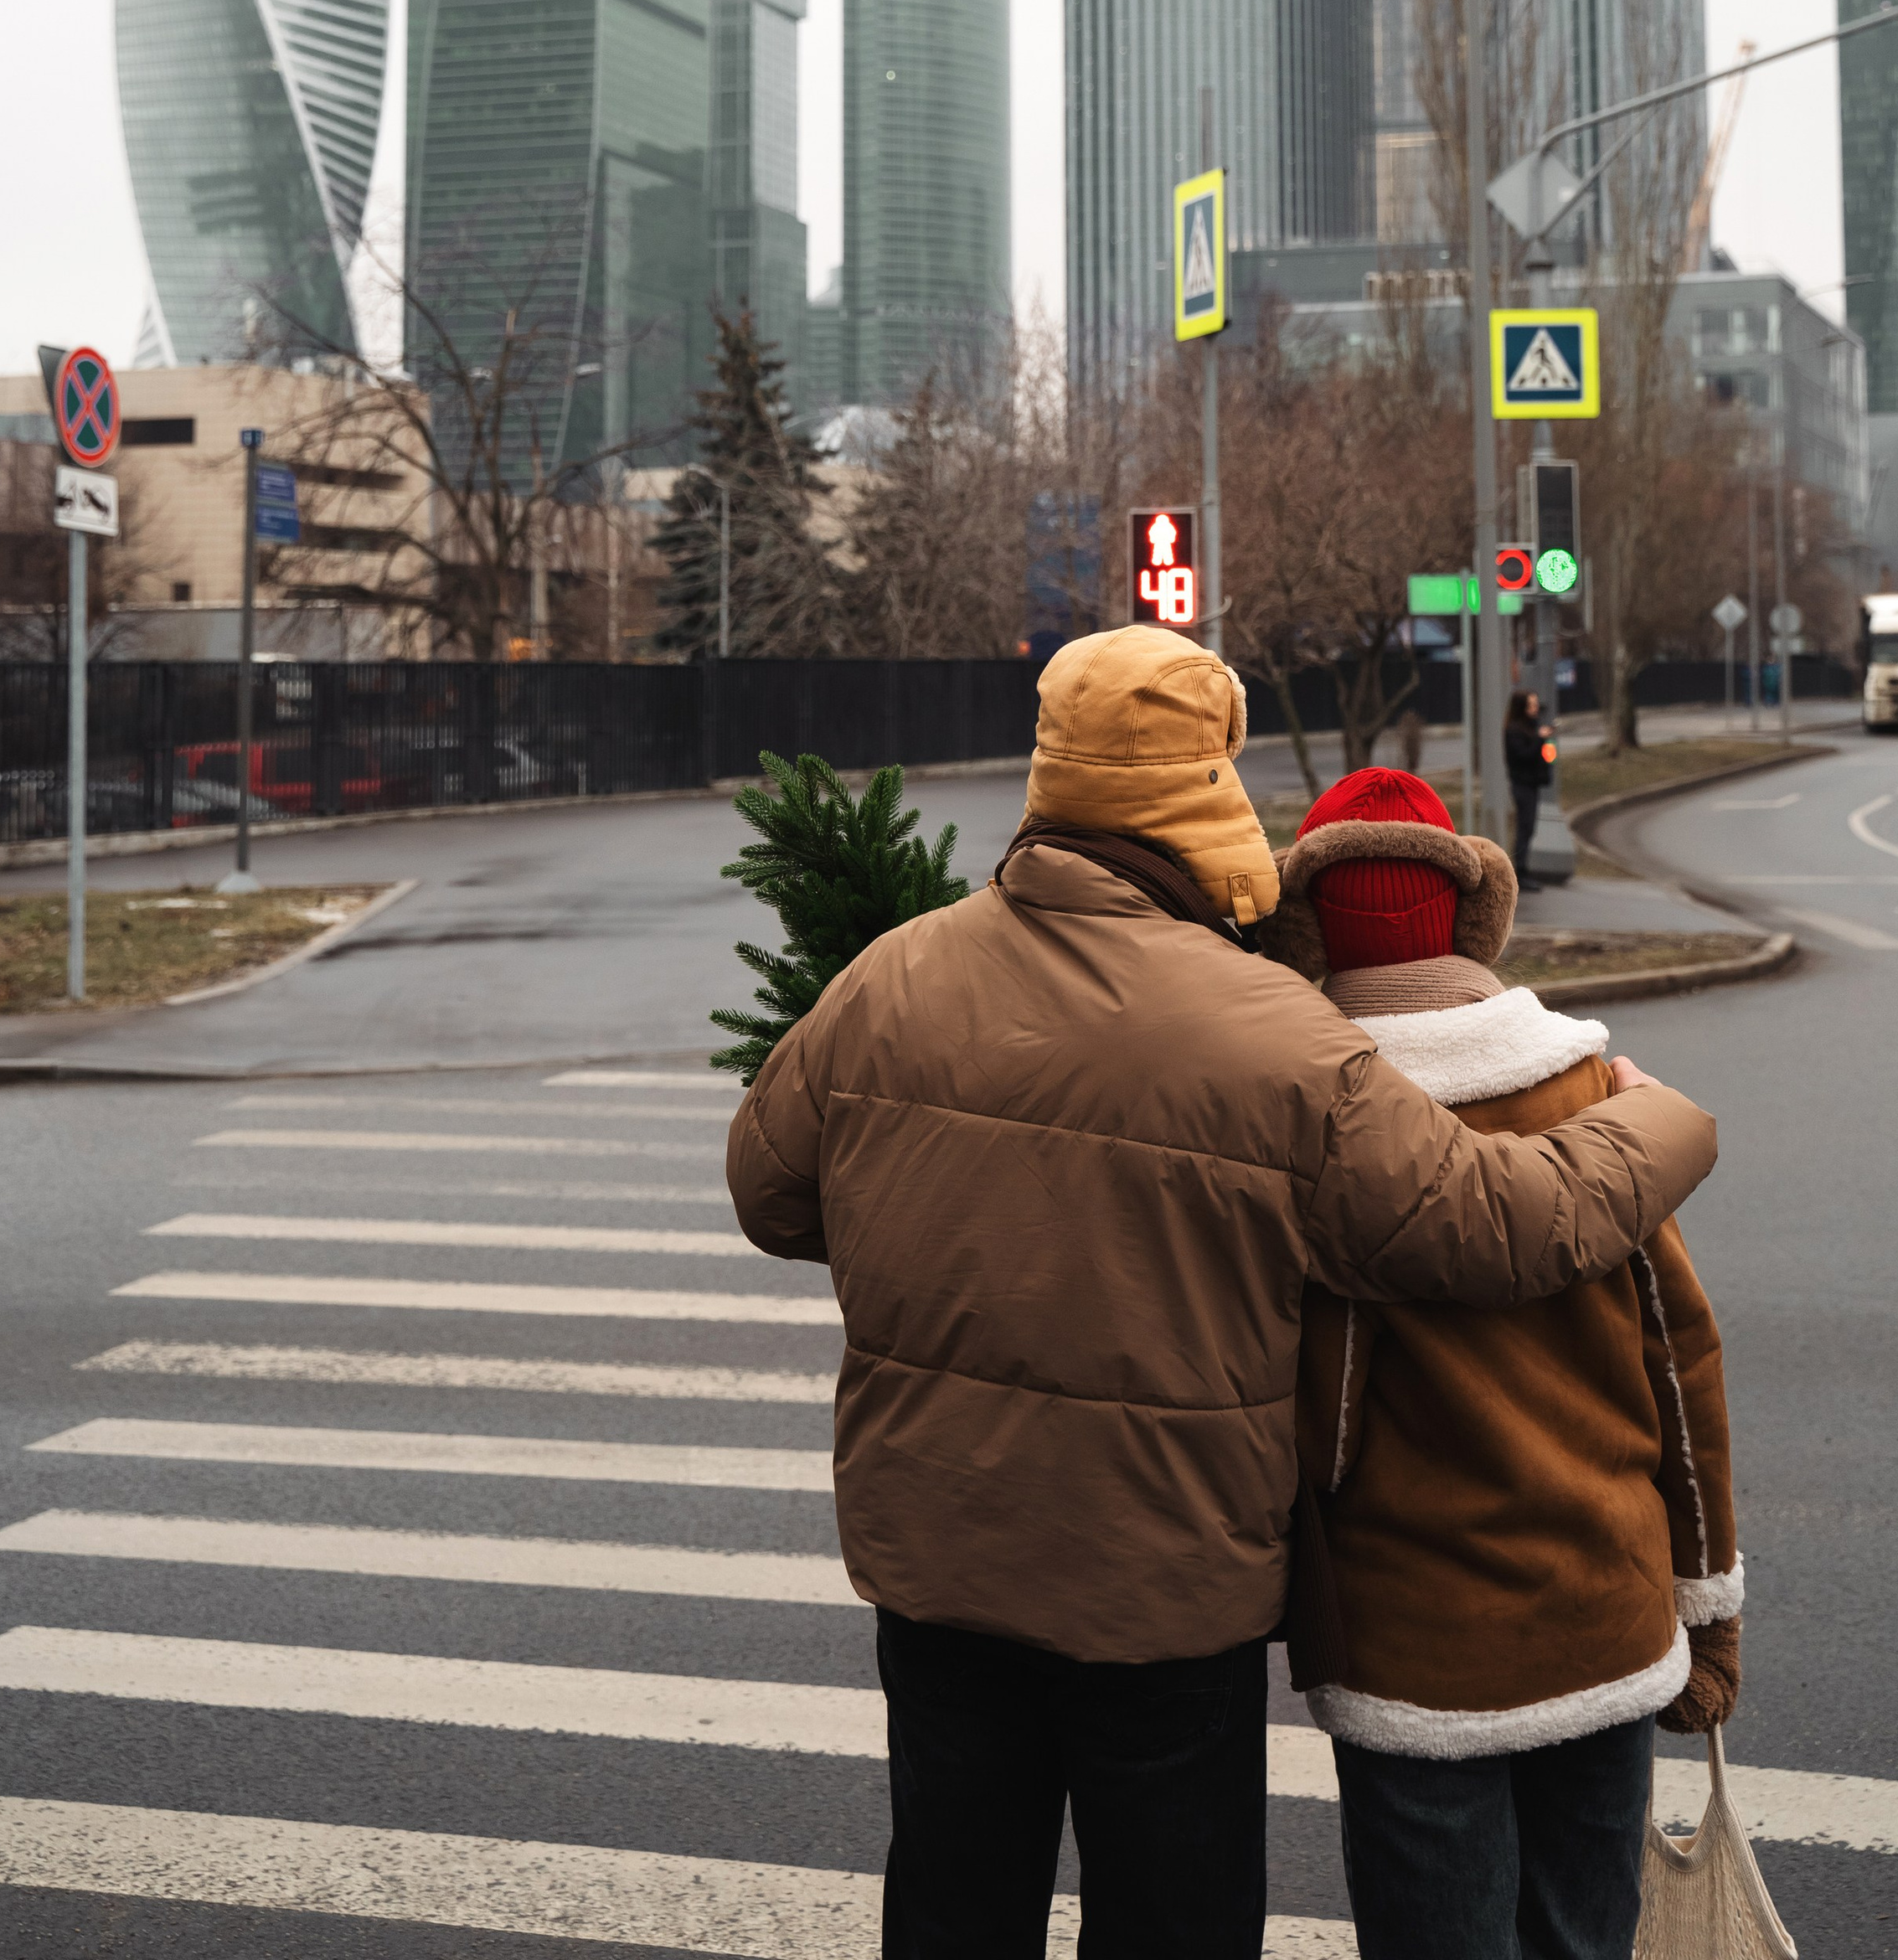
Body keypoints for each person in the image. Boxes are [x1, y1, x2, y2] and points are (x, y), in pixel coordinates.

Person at [725, 624, 1720, 1960]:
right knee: (1171, 1922)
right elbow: (1501, 1231)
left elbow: (772, 1194)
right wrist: (1656, 1124)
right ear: (1203, 789)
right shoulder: (1272, 1036)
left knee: (956, 1907)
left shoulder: (891, 980)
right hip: (1165, 1583)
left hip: (940, 1563)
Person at [1257, 766, 1741, 1960]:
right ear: (1475, 914)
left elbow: (1311, 1432)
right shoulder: (1594, 1092)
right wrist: (1709, 1604)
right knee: (1583, 1938)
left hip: (1416, 1650)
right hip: (1606, 1615)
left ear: (1308, 924)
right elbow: (1683, 1367)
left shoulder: (1315, 1122)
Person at [1503, 686, 1556, 879]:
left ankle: (1522, 868)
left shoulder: (1530, 726)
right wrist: (1539, 739)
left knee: (1529, 826)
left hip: (1532, 783)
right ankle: (1520, 871)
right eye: (1531, 705)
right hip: (1522, 784)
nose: (1535, 709)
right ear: (1522, 707)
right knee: (1525, 826)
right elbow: (1523, 756)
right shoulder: (1515, 730)